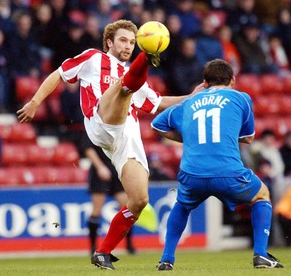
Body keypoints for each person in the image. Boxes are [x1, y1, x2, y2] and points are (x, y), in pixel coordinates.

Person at [17, 19, 200, 270]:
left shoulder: (136, 82)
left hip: (126, 138)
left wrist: (190, 98)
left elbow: (158, 103)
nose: (127, 45)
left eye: (133, 42)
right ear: (109, 42)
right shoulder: (93, 58)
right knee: (123, 90)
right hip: (101, 121)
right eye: (123, 40)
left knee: (139, 199)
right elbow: (58, 74)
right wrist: (35, 103)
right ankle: (148, 58)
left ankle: (102, 252)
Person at [151, 59, 283, 270]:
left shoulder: (188, 102)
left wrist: (189, 137)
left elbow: (156, 124)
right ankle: (260, 255)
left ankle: (166, 260)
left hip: (192, 173)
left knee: (182, 205)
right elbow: (248, 138)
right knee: (262, 195)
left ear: (204, 82)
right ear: (233, 79)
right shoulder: (241, 98)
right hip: (228, 172)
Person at [86, 135, 135, 255]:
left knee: (126, 208)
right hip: (100, 170)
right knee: (96, 210)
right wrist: (100, 167)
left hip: (117, 169)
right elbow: (88, 148)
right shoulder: (93, 123)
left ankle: (129, 245)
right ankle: (93, 247)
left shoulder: (121, 126)